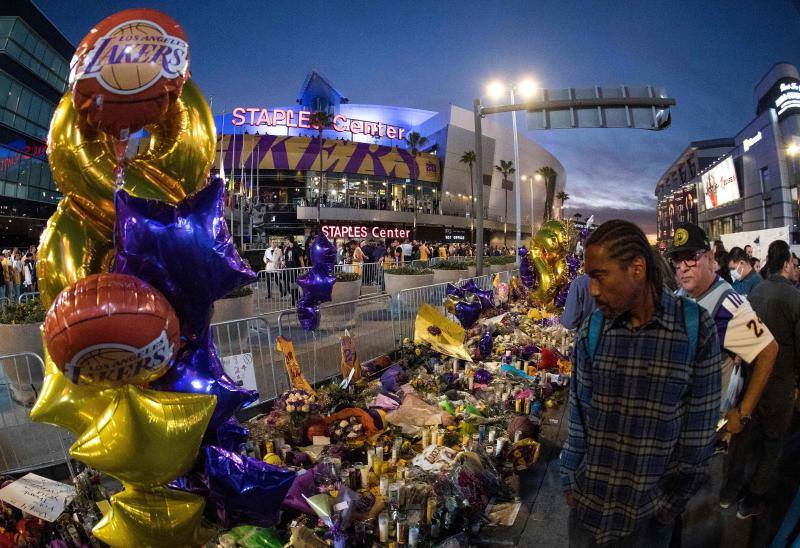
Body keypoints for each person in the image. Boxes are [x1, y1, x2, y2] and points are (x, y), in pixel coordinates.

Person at [561, 219, 722, 547]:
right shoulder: (593, 329)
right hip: (587, 513)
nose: (592, 290)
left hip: (647, 521)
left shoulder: (693, 328)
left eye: (599, 276)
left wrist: (669, 506)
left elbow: (698, 435)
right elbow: (579, 415)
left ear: (637, 269)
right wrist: (570, 481)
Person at [667, 223, 778, 507]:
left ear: (710, 258)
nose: (683, 267)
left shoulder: (730, 304)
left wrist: (743, 412)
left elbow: (768, 350)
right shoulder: (680, 296)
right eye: (677, 259)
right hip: (675, 421)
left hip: (700, 428)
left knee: (680, 504)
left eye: (691, 257)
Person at [724, 240, 800, 519]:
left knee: (745, 439)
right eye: (793, 264)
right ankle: (753, 498)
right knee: (772, 444)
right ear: (786, 264)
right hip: (779, 384)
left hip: (751, 380)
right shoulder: (793, 297)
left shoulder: (757, 291)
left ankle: (729, 491)